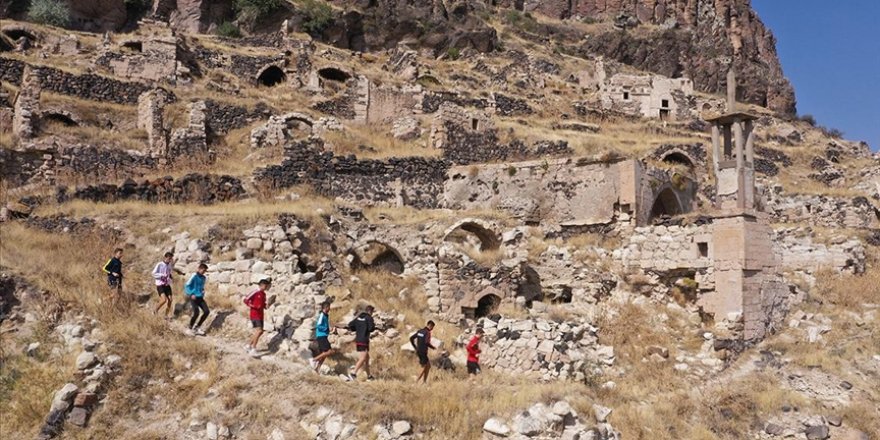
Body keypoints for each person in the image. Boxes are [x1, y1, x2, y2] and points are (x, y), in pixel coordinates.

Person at [347, 305, 376, 381]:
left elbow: (350, 325)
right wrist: (373, 326)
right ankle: (353, 373)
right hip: (364, 340)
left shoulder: (358, 317)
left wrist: (358, 328)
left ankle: (369, 376)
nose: (372, 313)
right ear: (370, 311)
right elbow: (371, 328)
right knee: (363, 358)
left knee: (367, 358)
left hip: (358, 340)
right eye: (372, 312)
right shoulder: (369, 318)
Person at [243, 279, 270, 358]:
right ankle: (253, 349)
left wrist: (266, 305)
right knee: (259, 331)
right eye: (266, 286)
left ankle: (248, 346)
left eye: (267, 286)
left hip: (261, 315)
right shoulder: (255, 292)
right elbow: (245, 300)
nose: (267, 287)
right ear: (261, 285)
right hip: (254, 314)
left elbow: (263, 305)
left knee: (260, 332)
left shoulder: (263, 294)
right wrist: (253, 306)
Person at [151, 252, 182, 319]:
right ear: (165, 257)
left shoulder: (169, 265)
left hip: (167, 285)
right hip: (160, 285)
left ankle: (166, 315)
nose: (170, 260)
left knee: (170, 300)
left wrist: (179, 272)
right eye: (169, 258)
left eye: (171, 258)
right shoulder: (159, 264)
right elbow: (153, 273)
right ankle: (155, 310)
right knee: (164, 300)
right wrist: (162, 276)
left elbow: (172, 269)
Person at [184, 263, 210, 336]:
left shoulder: (204, 278)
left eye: (205, 271)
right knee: (196, 312)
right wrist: (191, 294)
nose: (203, 272)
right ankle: (189, 328)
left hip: (200, 297)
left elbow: (201, 286)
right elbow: (186, 286)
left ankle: (197, 327)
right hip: (193, 297)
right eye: (203, 270)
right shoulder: (194, 276)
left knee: (206, 311)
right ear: (199, 269)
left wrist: (202, 291)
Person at [310, 301, 336, 373]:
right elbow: (318, 325)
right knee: (329, 351)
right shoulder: (322, 315)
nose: (330, 309)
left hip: (324, 335)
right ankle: (314, 360)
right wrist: (327, 329)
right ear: (326, 307)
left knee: (325, 354)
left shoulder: (325, 315)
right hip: (321, 336)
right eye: (329, 307)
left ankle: (317, 369)